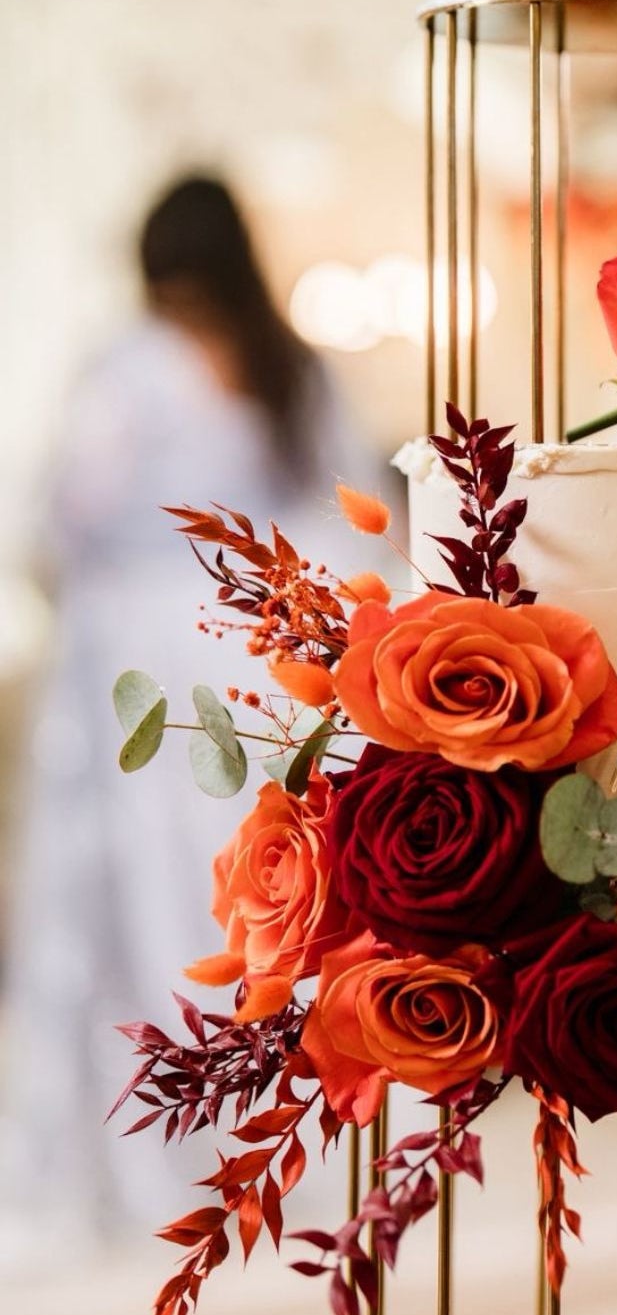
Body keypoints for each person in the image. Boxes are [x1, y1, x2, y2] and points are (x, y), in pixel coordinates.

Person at [0, 177, 373, 1255]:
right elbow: (334, 522)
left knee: (144, 912)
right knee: (259, 905)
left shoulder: (128, 367)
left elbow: (58, 524)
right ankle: (275, 1136)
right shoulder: (292, 368)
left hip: (143, 684)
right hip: (254, 670)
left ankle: (153, 1145)